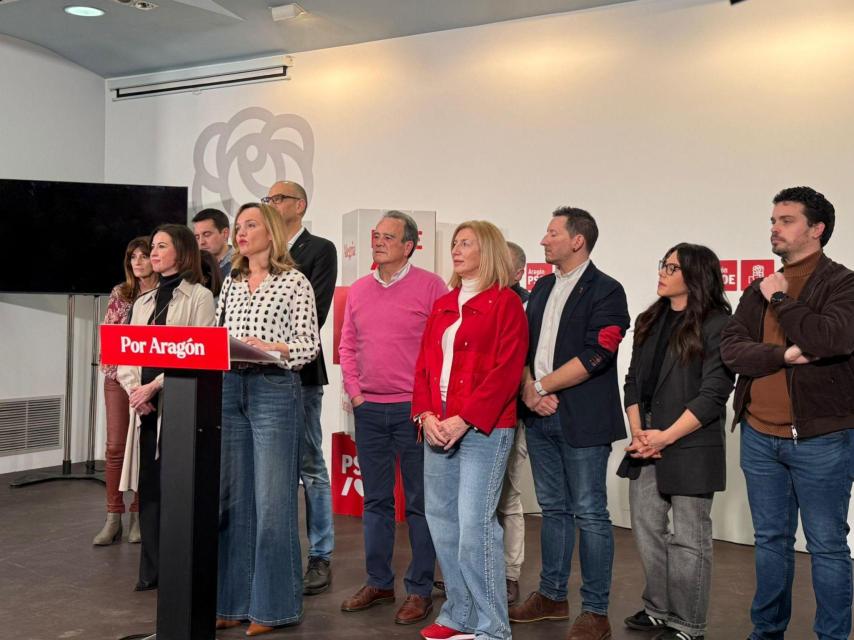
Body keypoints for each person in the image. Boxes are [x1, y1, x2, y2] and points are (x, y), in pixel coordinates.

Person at [720, 186, 854, 640]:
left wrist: (781, 300)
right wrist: (782, 355)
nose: (774, 228)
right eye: (773, 220)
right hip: (759, 436)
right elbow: (731, 348)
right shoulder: (758, 288)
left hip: (821, 439)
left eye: (786, 220)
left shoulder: (842, 284)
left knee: (827, 546)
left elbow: (828, 339)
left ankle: (832, 636)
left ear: (816, 229)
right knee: (770, 542)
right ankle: (767, 632)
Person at [512, 207, 629, 640]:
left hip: (583, 419)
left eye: (552, 233)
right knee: (553, 509)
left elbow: (597, 354)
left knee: (591, 513)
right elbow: (522, 345)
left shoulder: (607, 290)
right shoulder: (542, 287)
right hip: (539, 414)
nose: (543, 240)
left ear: (577, 240)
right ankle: (552, 596)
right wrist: (529, 388)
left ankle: (595, 611)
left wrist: (539, 387)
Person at [412, 220, 528, 640]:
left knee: (475, 527)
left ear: (488, 251)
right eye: (455, 243)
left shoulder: (506, 303)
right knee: (441, 521)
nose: (456, 250)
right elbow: (424, 367)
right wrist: (425, 415)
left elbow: (507, 372)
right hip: (437, 422)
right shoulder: (444, 303)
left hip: (483, 427)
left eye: (467, 243)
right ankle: (458, 615)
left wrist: (463, 419)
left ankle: (492, 627)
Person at [619, 243, 734, 640]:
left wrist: (664, 437)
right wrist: (640, 432)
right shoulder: (649, 319)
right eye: (663, 265)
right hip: (646, 437)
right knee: (647, 529)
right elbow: (632, 381)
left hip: (689, 438)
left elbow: (714, 393)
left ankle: (687, 623)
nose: (662, 272)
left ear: (695, 275)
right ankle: (658, 609)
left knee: (689, 538)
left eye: (672, 267)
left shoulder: (717, 323)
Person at [215, 203, 320, 636]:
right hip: (230, 387)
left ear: (271, 232)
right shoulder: (231, 280)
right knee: (234, 500)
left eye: (250, 225)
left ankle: (275, 608)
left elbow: (308, 345)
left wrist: (272, 347)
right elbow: (218, 334)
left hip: (273, 389)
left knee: (273, 502)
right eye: (238, 226)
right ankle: (233, 602)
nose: (240, 232)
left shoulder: (294, 281)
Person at [338, 210, 446, 625]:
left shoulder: (431, 286)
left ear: (409, 245)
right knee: (376, 501)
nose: (378, 241)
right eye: (376, 235)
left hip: (414, 412)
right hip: (369, 411)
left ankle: (420, 589)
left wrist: (427, 403)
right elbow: (348, 346)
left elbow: (441, 348)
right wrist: (356, 394)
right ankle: (379, 582)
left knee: (419, 503)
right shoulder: (360, 289)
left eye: (388, 237)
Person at [117, 224, 215, 591]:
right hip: (144, 408)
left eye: (161, 247)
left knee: (178, 487)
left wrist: (155, 386)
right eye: (153, 247)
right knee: (150, 488)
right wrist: (135, 391)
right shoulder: (143, 301)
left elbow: (199, 352)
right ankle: (151, 570)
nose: (153, 254)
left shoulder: (200, 297)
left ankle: (178, 569)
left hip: (181, 406)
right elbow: (127, 353)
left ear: (182, 252)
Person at [263, 180, 338, 594]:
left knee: (310, 465)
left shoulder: (319, 249)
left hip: (301, 374)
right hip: (259, 377)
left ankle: (321, 555)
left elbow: (316, 313)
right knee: (270, 469)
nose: (272, 204)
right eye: (268, 199)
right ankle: (276, 554)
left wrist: (265, 343)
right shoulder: (259, 251)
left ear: (300, 205)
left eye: (279, 198)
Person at [93, 236, 157, 546]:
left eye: (144, 255)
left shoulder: (166, 293)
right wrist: (126, 381)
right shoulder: (121, 293)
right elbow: (111, 339)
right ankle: (113, 516)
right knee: (115, 447)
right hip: (118, 379)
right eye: (133, 257)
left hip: (150, 381)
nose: (138, 262)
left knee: (145, 448)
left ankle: (138, 515)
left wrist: (145, 384)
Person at [497, 240, 529, 605]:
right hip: (468, 417)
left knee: (507, 496)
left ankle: (509, 574)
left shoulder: (526, 305)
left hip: (511, 415)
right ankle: (476, 571)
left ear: (519, 272)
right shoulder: (470, 298)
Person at [192, 208, 233, 278]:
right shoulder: (194, 267)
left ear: (225, 233)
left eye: (206, 234)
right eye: (197, 237)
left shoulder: (242, 264)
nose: (201, 242)